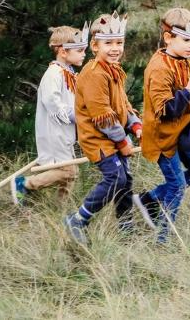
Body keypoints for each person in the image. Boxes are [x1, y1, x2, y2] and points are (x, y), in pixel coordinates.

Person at [63, 12, 145, 245]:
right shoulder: (93, 74)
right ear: (94, 45)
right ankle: (78, 219)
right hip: (97, 138)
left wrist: (135, 125)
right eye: (108, 43)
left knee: (126, 179)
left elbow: (122, 105)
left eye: (119, 43)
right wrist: (122, 142)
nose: (115, 48)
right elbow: (103, 116)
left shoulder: (114, 69)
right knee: (115, 177)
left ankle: (125, 223)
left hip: (114, 134)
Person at [134, 8, 190, 242]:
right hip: (163, 138)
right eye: (186, 39)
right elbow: (166, 111)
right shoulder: (159, 68)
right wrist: (188, 90)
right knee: (177, 185)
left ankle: (148, 199)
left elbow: (185, 96)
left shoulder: (182, 60)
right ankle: (163, 237)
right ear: (168, 37)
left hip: (182, 134)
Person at [11, 25, 88, 206]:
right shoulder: (53, 74)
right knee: (69, 171)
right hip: (55, 132)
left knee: (71, 171)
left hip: (66, 131)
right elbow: (52, 102)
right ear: (62, 51)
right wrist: (75, 115)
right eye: (79, 50)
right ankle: (26, 184)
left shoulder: (68, 72)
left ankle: (60, 207)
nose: (84, 54)